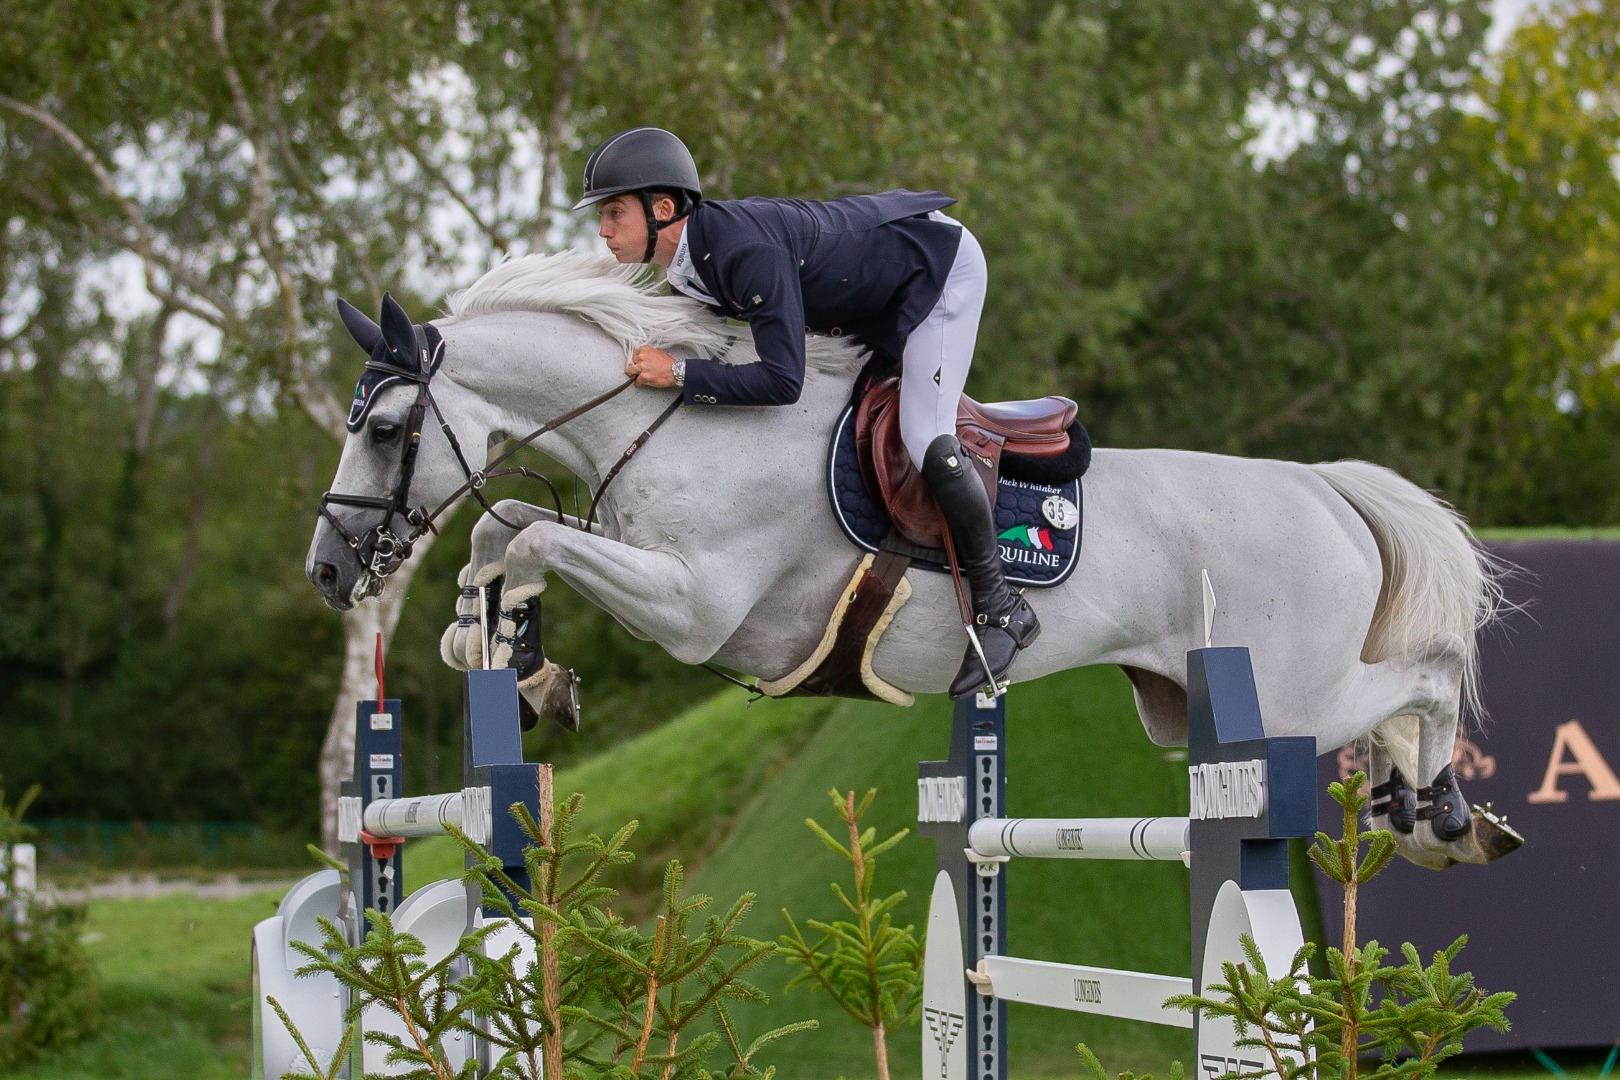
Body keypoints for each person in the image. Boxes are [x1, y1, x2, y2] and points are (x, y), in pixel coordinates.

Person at [573, 126, 1038, 698]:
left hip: (936, 272)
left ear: (663, 209)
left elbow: (781, 380)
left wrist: (681, 375)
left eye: (614, 212)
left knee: (924, 436)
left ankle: (1001, 607)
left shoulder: (743, 252)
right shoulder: (689, 267)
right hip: (872, 301)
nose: (603, 230)